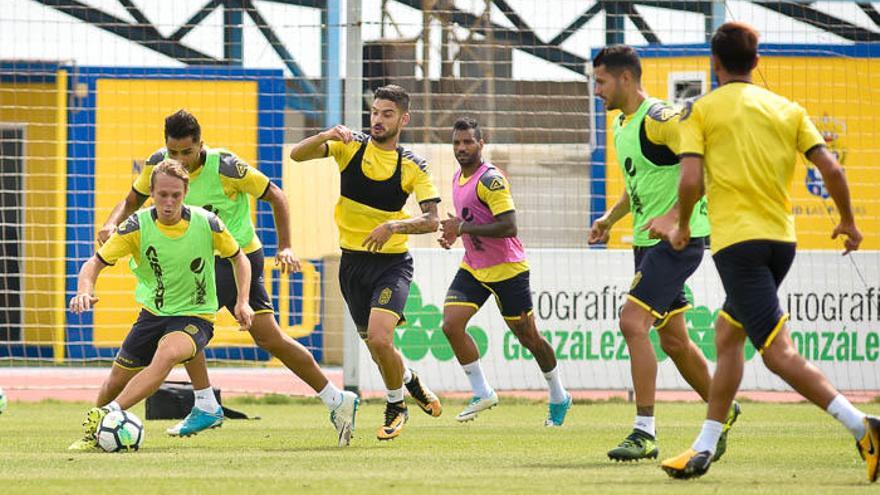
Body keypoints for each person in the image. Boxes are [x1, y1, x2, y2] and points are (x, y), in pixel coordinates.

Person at [653, 22, 878, 481]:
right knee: (727, 334)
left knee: (777, 354)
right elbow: (831, 169)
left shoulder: (701, 111)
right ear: (757, 62)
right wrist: (849, 222)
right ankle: (704, 447)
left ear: (713, 64)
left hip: (739, 245)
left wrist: (679, 224)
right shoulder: (789, 109)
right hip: (782, 242)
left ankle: (863, 426)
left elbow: (691, 178)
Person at [98, 110, 357, 446]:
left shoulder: (226, 167)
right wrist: (110, 222)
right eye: (173, 152)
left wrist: (286, 247)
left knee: (267, 338)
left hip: (236, 260)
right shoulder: (159, 165)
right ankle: (206, 402)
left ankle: (335, 398)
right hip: (198, 263)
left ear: (200, 145)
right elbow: (132, 199)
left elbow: (276, 195)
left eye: (186, 153)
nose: (180, 160)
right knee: (184, 323)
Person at [588, 45, 739, 462]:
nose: (595, 90)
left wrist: (675, 215)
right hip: (646, 241)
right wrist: (610, 218)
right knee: (674, 340)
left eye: (600, 81)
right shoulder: (622, 124)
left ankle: (644, 432)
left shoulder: (660, 118)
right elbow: (639, 183)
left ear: (625, 79)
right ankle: (722, 406)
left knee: (631, 322)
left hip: (677, 240)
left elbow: (706, 166)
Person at [290, 84, 443, 441]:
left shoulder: (412, 165)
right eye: (374, 112)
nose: (377, 119)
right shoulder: (350, 146)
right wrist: (327, 133)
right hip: (352, 265)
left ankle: (396, 405)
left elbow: (432, 219)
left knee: (378, 337)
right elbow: (297, 155)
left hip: (391, 265)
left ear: (403, 119)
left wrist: (394, 225)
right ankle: (409, 381)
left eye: (387, 114)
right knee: (379, 349)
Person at [68, 160, 253, 450]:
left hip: (195, 314)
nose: (169, 202)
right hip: (152, 314)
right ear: (151, 192)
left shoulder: (207, 222)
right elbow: (94, 264)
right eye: (162, 195)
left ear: (185, 192)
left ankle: (110, 412)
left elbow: (240, 258)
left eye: (176, 195)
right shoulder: (135, 225)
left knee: (168, 351)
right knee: (115, 380)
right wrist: (84, 290)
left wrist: (243, 301)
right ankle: (95, 435)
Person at [438, 117, 571, 426]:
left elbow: (509, 226)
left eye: (468, 141)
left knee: (530, 338)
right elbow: (467, 221)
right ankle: (482, 391)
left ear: (481, 144)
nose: (461, 147)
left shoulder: (491, 179)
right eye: (457, 142)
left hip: (508, 270)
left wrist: (463, 227)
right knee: (451, 324)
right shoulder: (457, 177)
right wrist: (454, 232)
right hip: (474, 267)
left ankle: (558, 395)